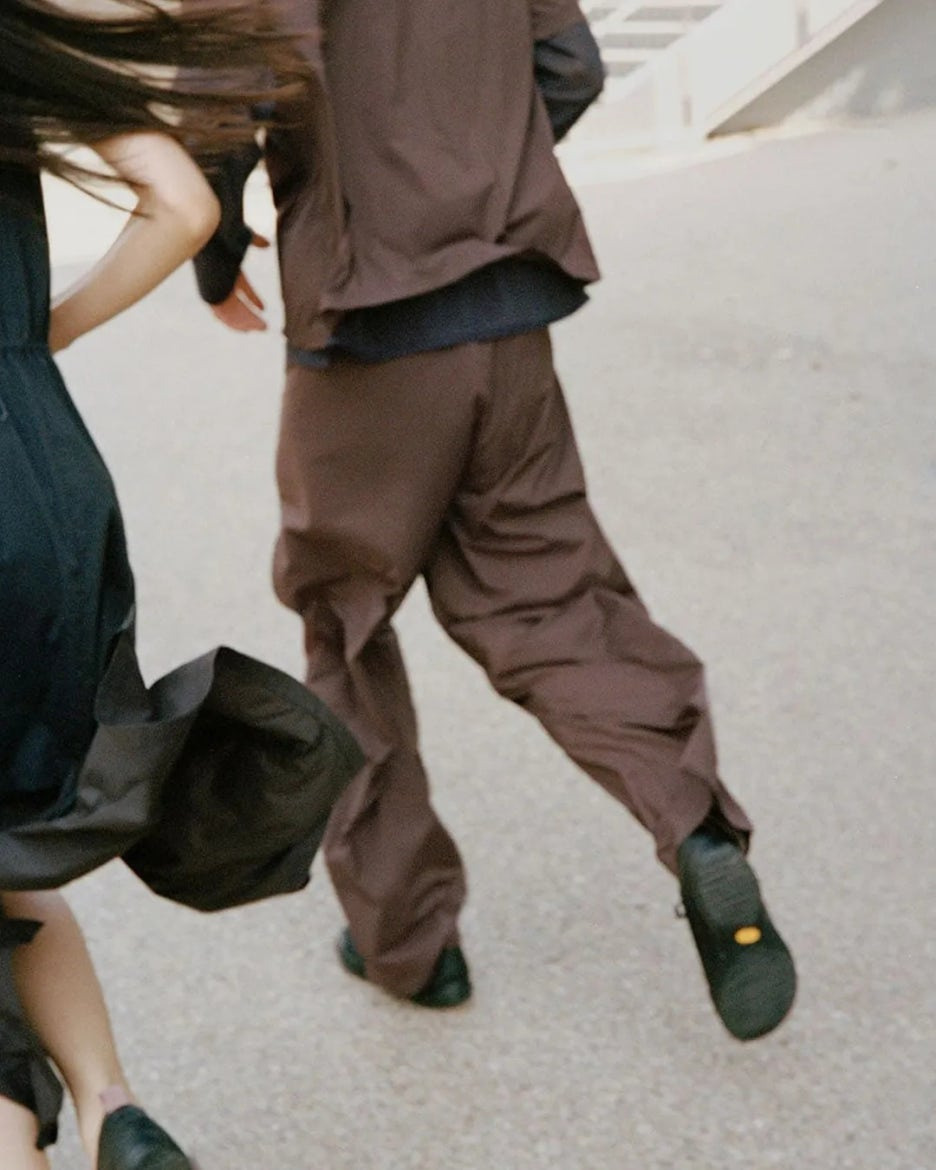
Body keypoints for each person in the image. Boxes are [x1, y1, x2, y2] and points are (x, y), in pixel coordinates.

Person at [193, 0, 797, 1042]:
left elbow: (232, 85)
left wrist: (215, 257)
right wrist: (478, 169)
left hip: (369, 323)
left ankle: (409, 944)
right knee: (555, 604)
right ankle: (696, 828)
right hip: (509, 312)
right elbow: (571, 65)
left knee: (346, 627)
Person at [0, 3, 361, 1168]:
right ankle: (115, 1109)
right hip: (47, 483)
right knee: (9, 845)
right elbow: (184, 203)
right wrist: (34, 339)